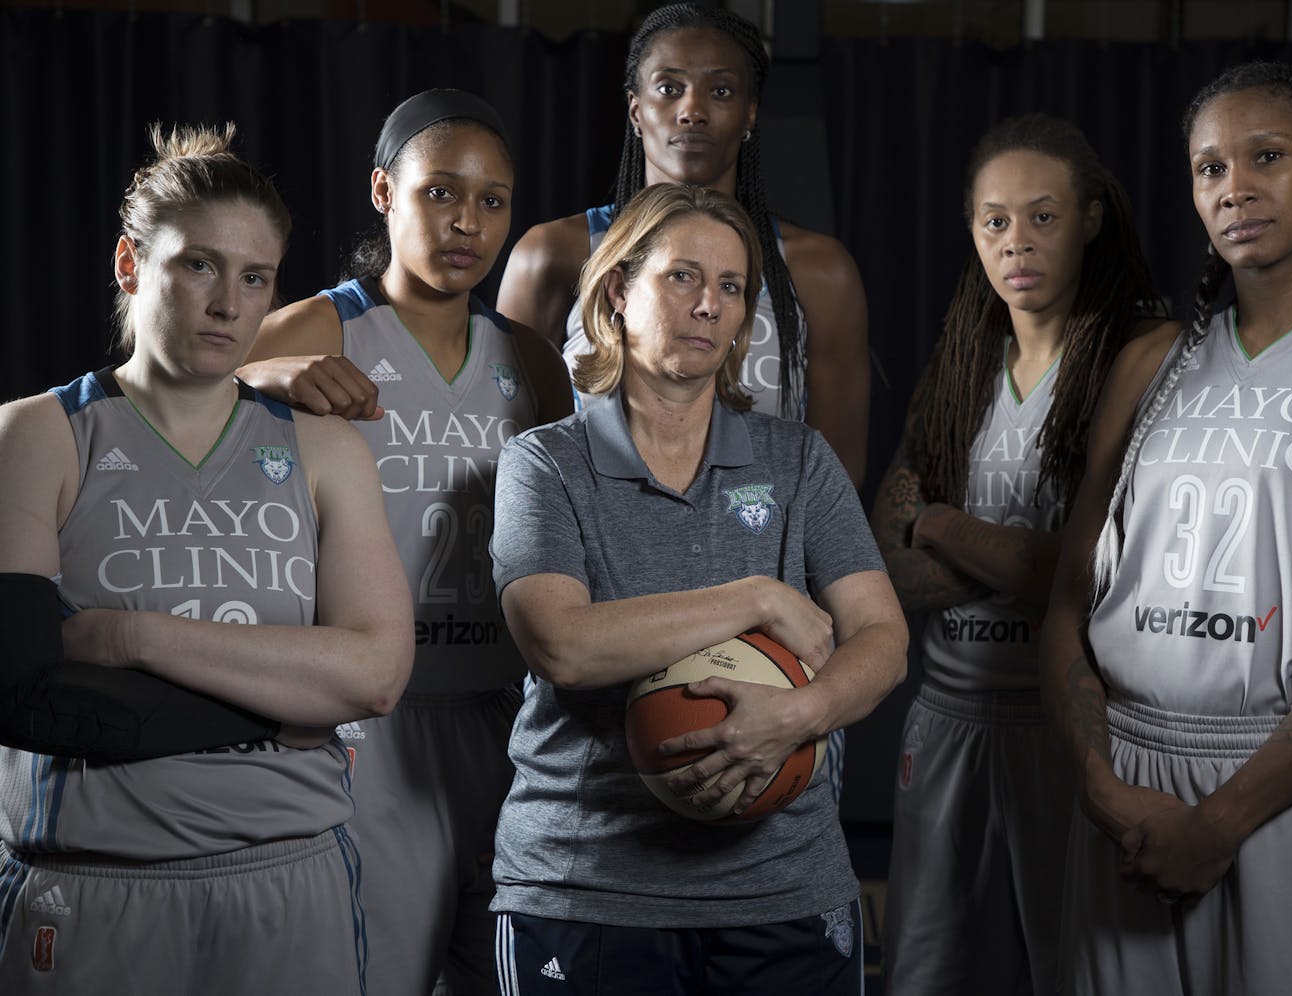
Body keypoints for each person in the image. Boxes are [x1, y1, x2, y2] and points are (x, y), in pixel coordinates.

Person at [1041, 61, 1292, 994]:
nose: (1236, 189)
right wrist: (1098, 780)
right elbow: (1067, 601)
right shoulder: (1151, 360)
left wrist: (1218, 823)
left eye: (1267, 157)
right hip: (1128, 782)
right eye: (1210, 168)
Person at [0, 123, 413, 994]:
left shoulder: (325, 450)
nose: (229, 302)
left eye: (254, 276)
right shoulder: (36, 434)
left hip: (291, 876)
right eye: (198, 265)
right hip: (93, 879)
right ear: (129, 262)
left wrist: (127, 638)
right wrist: (288, 703)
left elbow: (374, 675)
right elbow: (25, 689)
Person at [487, 182, 907, 995]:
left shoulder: (798, 461)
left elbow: (882, 642)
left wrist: (796, 716)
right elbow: (563, 645)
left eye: (730, 286)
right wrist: (759, 596)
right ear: (617, 291)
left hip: (782, 889)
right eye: (682, 277)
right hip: (586, 887)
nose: (709, 305)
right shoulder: (544, 464)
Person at [240, 89, 570, 996]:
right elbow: (167, 408)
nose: (467, 221)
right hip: (366, 723)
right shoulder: (320, 327)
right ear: (384, 191)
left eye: (493, 201)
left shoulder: (531, 359)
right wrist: (265, 372)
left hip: (506, 717)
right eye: (440, 193)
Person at [870, 113, 1169, 994]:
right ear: (972, 232)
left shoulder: (1135, 361)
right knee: (928, 972)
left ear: (1091, 219)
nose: (1017, 242)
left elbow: (1092, 577)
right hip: (947, 714)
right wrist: (1026, 558)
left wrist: (944, 525)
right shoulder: (964, 360)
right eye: (995, 221)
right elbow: (884, 561)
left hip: (1068, 722)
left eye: (1043, 215)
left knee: (1068, 966)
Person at [497, 3, 869, 489]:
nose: (692, 110)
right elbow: (513, 449)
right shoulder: (553, 254)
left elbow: (837, 483)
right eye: (669, 88)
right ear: (635, 109)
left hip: (758, 550)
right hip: (591, 552)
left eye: (720, 91)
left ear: (749, 112)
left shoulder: (818, 270)